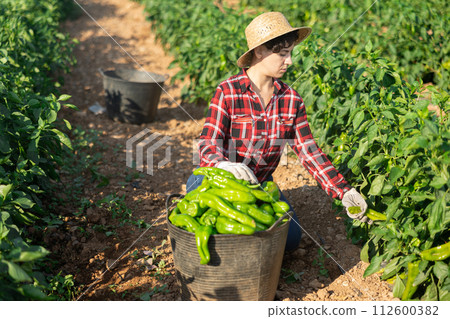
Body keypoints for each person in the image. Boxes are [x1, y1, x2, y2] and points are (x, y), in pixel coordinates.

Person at [186, 12, 369, 251]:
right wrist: (223, 165)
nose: (290, 61)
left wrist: (343, 191)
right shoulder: (228, 91)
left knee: (289, 239)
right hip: (217, 181)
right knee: (219, 235)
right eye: (283, 54)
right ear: (260, 51)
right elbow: (208, 142)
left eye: (290, 53)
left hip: (260, 185)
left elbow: (309, 151)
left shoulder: (291, 100)